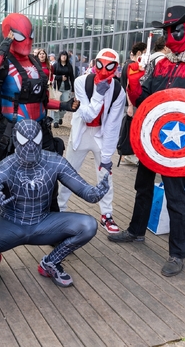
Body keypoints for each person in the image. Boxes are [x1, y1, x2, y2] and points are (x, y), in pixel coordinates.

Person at [108, 6, 185, 277]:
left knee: (175, 196)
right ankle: (136, 231)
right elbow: (145, 98)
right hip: (151, 138)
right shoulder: (159, 63)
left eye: (176, 28)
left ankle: (178, 253)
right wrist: (134, 83)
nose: (170, 34)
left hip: (178, 146)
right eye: (166, 29)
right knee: (142, 186)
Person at [0, 119, 109, 287]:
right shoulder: (3, 167)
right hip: (10, 222)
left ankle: (51, 262)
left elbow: (84, 190)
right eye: (25, 141)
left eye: (36, 139)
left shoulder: (54, 162)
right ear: (15, 140)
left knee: (88, 225)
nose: (31, 146)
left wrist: (96, 193)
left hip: (43, 221)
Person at [0, 13, 79, 171]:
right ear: (9, 34)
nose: (28, 41)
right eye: (21, 36)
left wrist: (64, 105)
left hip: (41, 131)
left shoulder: (36, 63)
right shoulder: (4, 64)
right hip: (11, 133)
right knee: (3, 181)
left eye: (31, 35)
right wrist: (2, 52)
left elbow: (41, 100)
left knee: (47, 181)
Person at [58, 48, 126, 234]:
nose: (104, 71)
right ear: (94, 64)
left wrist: (107, 155)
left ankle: (107, 214)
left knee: (106, 175)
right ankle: (59, 209)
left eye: (109, 66)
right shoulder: (82, 82)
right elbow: (87, 115)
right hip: (81, 133)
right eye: (100, 65)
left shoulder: (118, 91)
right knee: (68, 173)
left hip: (101, 136)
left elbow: (113, 125)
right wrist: (98, 96)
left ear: (116, 68)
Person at [51, 50, 75, 128]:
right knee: (56, 104)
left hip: (66, 87)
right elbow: (51, 76)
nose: (64, 57)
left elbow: (72, 77)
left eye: (65, 55)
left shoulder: (69, 66)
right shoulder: (55, 65)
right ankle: (56, 121)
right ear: (60, 56)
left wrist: (73, 89)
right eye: (62, 55)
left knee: (65, 104)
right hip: (57, 87)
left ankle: (60, 117)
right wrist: (60, 77)